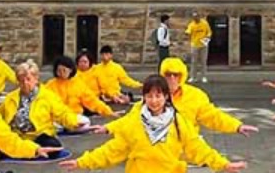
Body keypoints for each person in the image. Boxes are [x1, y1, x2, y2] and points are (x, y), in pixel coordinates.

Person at [59, 75, 247, 173]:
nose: (154, 101)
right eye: (149, 96)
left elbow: (198, 148)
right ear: (144, 98)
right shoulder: (134, 121)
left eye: (158, 96)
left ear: (166, 97)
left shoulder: (179, 121)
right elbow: (112, 150)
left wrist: (224, 164)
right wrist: (81, 162)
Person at [100, 57, 258, 138]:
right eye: (168, 75)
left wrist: (237, 126)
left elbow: (213, 116)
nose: (172, 78)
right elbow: (131, 119)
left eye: (176, 75)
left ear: (182, 76)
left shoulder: (195, 95)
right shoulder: (153, 96)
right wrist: (108, 128)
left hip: (186, 145)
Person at [0, 60, 91, 158]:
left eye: (28, 79)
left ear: (36, 79)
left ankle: (34, 150)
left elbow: (62, 113)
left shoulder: (47, 96)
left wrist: (74, 122)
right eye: (21, 80)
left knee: (54, 146)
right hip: (16, 137)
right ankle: (26, 150)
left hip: (39, 136)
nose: (25, 83)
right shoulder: (10, 98)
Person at [44, 56, 116, 120]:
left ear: (70, 70)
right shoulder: (50, 85)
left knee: (85, 121)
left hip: (75, 116)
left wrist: (107, 111)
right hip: (58, 117)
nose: (62, 73)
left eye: (64, 70)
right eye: (59, 71)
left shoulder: (78, 83)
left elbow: (92, 100)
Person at [185, 11, 212, 83]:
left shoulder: (204, 23)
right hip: (195, 44)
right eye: (194, 17)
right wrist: (188, 35)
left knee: (203, 61)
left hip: (203, 44)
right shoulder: (192, 24)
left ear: (199, 17)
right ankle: (193, 77)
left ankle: (204, 76)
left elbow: (209, 32)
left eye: (196, 17)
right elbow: (188, 32)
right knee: (194, 61)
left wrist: (207, 37)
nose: (195, 19)